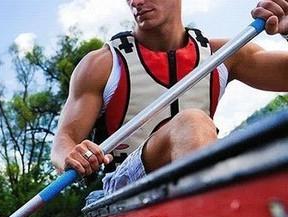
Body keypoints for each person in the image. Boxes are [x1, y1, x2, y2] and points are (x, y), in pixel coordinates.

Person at [51, 0, 288, 200]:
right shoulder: (101, 64)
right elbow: (63, 140)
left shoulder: (225, 54)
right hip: (126, 186)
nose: (135, 2)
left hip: (202, 171)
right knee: (193, 122)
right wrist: (70, 155)